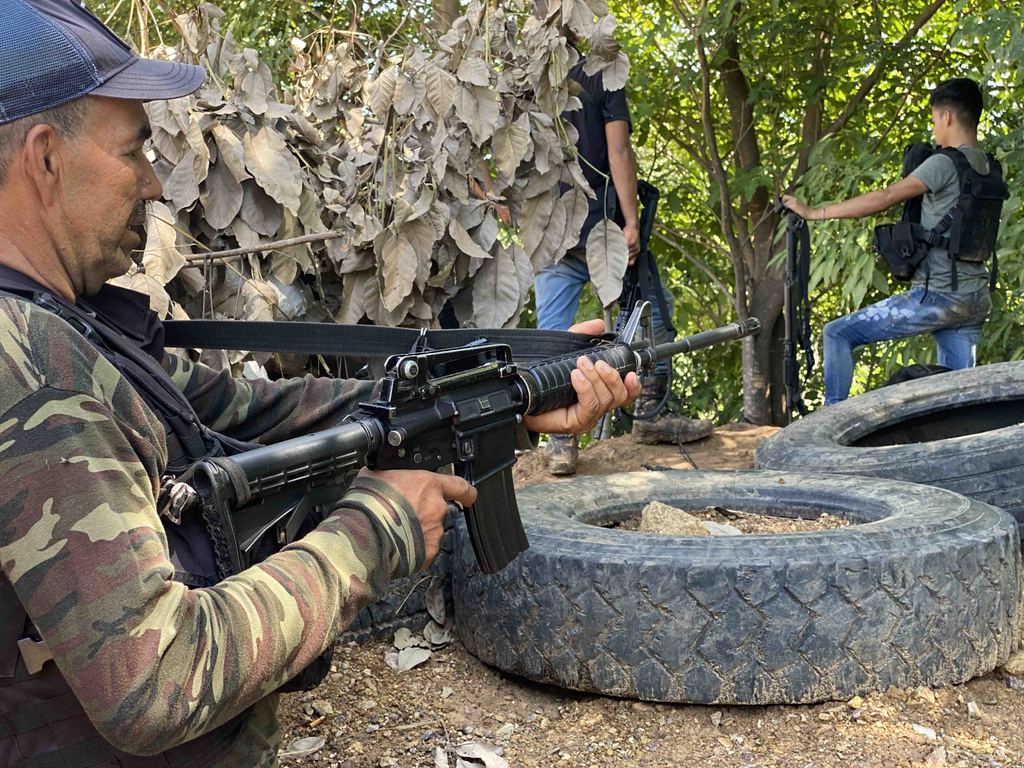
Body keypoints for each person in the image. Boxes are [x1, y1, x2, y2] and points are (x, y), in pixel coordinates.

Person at [0, 2, 640, 766]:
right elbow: (155, 679)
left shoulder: (67, 327)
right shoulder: (30, 367)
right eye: (132, 151)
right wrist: (375, 528)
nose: (155, 183)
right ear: (44, 159)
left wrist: (496, 396)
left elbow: (251, 413)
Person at [536, 39, 712, 476]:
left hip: (549, 232)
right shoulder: (604, 72)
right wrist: (631, 222)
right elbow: (618, 150)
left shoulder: (529, 74)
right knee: (651, 316)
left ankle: (561, 442)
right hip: (604, 229)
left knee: (553, 337)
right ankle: (650, 415)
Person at [783, 78, 996, 405]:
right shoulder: (988, 165)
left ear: (947, 117)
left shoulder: (944, 163)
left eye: (934, 120)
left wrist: (814, 213)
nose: (934, 129)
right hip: (975, 298)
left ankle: (829, 426)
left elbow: (884, 198)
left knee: (837, 333)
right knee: (956, 399)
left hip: (939, 297)